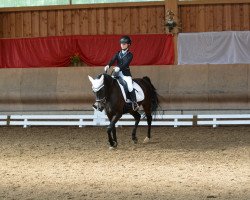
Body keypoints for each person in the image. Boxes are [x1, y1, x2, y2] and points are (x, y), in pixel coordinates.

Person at [93, 35, 139, 111]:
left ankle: (134, 103)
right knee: (109, 85)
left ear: (128, 44)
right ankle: (103, 102)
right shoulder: (118, 53)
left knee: (130, 86)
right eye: (121, 43)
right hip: (116, 73)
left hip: (125, 74)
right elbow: (112, 60)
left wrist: (119, 68)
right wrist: (108, 65)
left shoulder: (130, 55)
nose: (122, 45)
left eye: (124, 44)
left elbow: (126, 63)